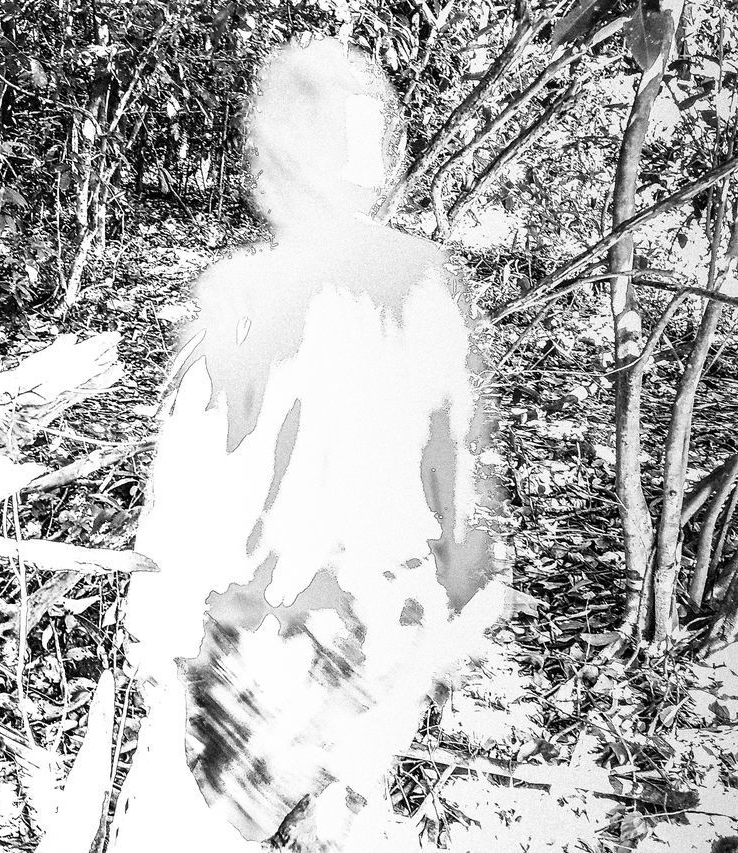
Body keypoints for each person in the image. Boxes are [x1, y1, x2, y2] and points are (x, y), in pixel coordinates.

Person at [113, 36, 499, 851]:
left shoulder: (242, 294)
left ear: (277, 162)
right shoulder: (428, 284)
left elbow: (183, 493)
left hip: (253, 663)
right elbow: (462, 499)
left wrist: (154, 635)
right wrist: (446, 625)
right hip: (369, 660)